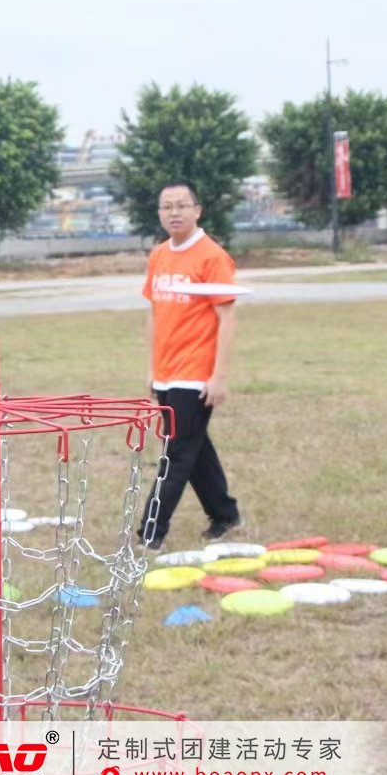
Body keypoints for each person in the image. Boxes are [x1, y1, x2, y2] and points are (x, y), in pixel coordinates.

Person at [138, 183, 242, 551]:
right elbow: (155, 314)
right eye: (167, 206)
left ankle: (151, 533)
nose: (174, 212)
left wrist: (219, 376)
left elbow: (227, 318)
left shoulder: (212, 256)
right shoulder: (159, 255)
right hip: (166, 372)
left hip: (196, 373)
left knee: (178, 452)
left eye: (182, 205)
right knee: (194, 448)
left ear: (197, 210)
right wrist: (152, 368)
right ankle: (225, 515)